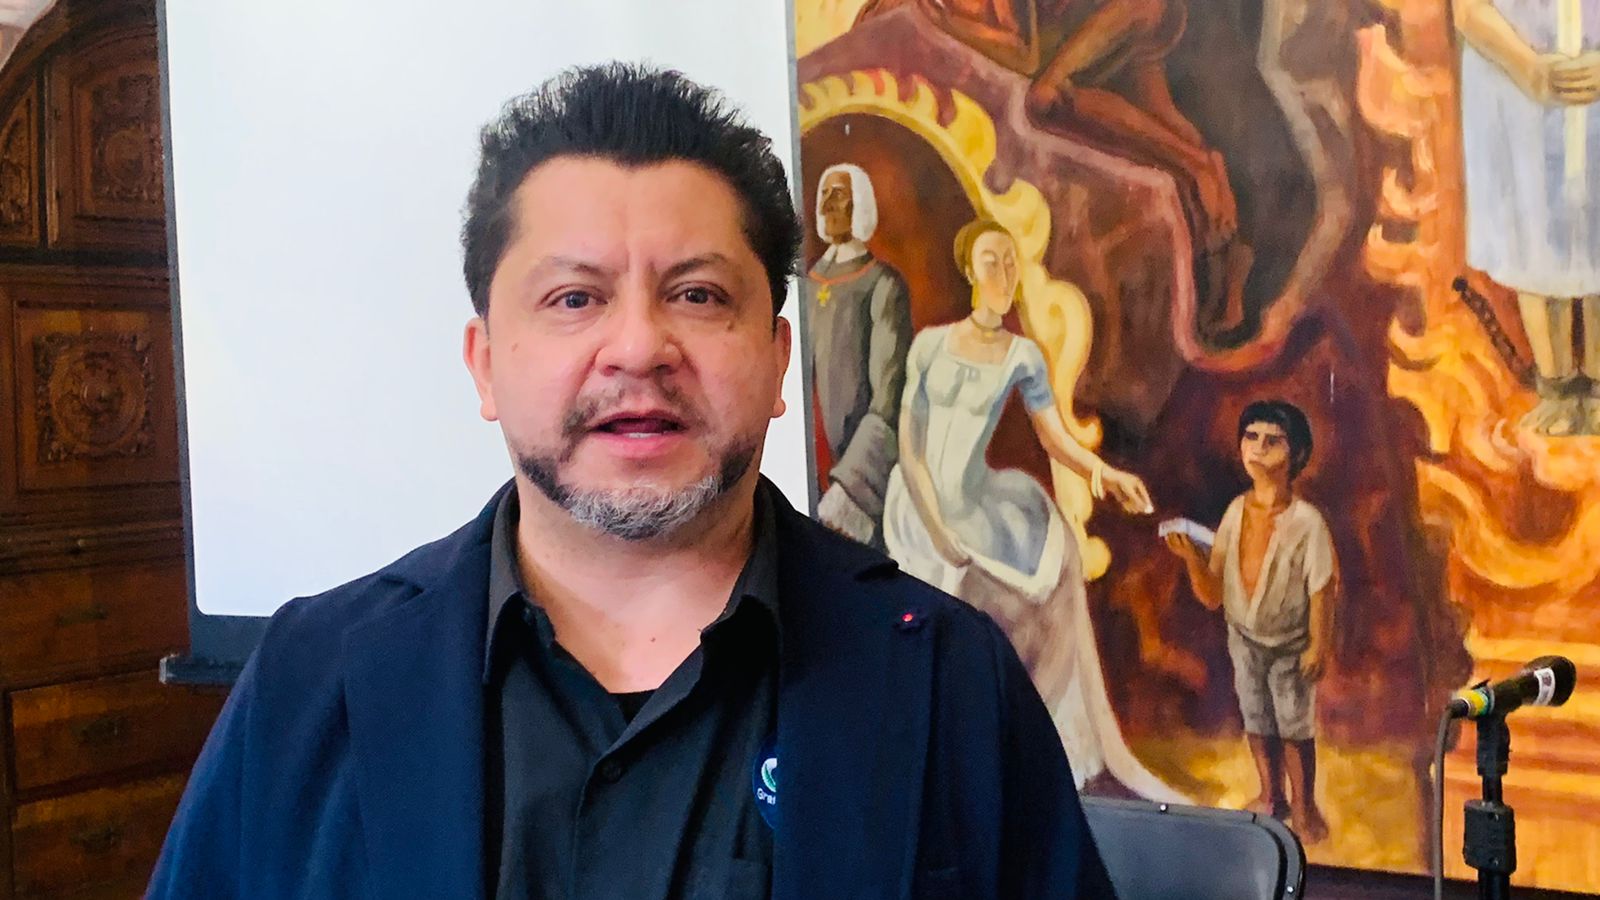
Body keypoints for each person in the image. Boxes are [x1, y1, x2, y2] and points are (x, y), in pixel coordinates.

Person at [147, 64, 1116, 899]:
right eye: (574, 298)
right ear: (485, 365)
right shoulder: (307, 685)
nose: (640, 347)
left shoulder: (949, 679)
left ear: (778, 361)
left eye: (698, 294)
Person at [882, 217, 1184, 803]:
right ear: (970, 270)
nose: (1004, 273)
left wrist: (1101, 471)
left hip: (979, 506)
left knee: (1048, 571)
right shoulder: (930, 345)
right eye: (991, 262)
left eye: (1011, 262)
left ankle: (1027, 754)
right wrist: (938, 531)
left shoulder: (1022, 355)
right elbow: (910, 448)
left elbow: (1054, 436)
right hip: (917, 510)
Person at [1164, 399, 1335, 842]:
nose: (1258, 448)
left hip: (1291, 643)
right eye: (1251, 437)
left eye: (1272, 441)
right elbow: (1212, 595)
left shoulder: (1308, 523)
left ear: (1296, 453)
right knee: (1257, 718)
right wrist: (1191, 559)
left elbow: (1322, 588)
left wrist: (1318, 644)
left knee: (1295, 725)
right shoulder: (1236, 513)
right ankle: (1271, 796)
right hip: (1243, 638)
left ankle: (1305, 807)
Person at [1456, 0, 1600, 435]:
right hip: (1516, 84)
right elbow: (1468, 9)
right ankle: (1556, 386)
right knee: (1533, 223)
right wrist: (1528, 66)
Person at [804, 163, 912, 549]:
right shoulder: (805, 284)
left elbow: (888, 401)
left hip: (851, 481)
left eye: (839, 195)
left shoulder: (883, 285)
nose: (827, 206)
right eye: (824, 195)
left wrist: (850, 487)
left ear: (860, 205)